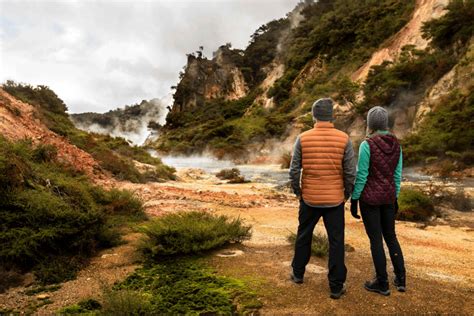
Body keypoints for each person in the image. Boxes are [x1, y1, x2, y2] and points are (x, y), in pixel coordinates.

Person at [289, 98, 356, 299]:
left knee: (303, 236)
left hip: (309, 197)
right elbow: (350, 172)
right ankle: (336, 286)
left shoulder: (303, 137)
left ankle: (298, 274)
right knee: (336, 241)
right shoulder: (344, 138)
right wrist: (346, 194)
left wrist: (298, 192)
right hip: (335, 200)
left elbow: (294, 170)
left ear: (314, 115)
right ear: (331, 116)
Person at [350, 106, 406, 296]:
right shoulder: (397, 145)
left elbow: (362, 175)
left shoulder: (367, 145)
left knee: (376, 240)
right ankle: (400, 279)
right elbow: (397, 176)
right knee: (391, 237)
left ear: (371, 124)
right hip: (389, 199)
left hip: (370, 201)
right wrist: (395, 197)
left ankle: (382, 283)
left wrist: (354, 199)